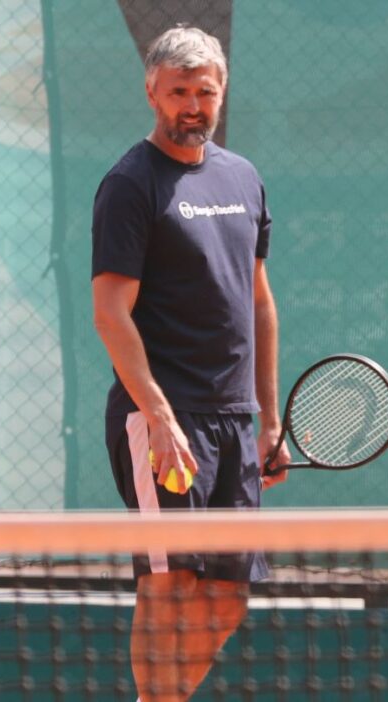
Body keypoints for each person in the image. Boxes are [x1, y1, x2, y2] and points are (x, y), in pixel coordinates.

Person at [91, 26, 291, 702]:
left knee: (229, 594)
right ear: (152, 92)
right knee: (170, 582)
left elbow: (259, 303)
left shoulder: (244, 178)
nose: (192, 106)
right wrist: (158, 415)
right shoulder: (129, 184)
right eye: (178, 92)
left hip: (236, 420)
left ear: (221, 92)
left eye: (204, 92)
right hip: (161, 421)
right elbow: (111, 313)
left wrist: (267, 419)